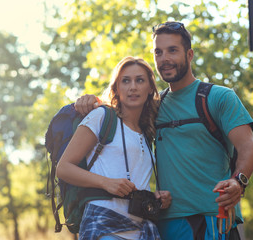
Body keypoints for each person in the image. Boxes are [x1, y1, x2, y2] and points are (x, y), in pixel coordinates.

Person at [75, 21, 253, 240]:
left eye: (172, 50)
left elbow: (249, 148)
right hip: (163, 224)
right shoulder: (153, 106)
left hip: (211, 217)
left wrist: (238, 182)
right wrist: (91, 101)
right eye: (158, 52)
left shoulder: (219, 97)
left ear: (189, 54)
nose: (165, 59)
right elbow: (122, 105)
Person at [56, 56, 171, 240]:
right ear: (117, 88)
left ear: (150, 88)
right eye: (125, 81)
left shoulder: (147, 132)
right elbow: (63, 168)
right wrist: (106, 182)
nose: (132, 87)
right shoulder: (102, 116)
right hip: (104, 225)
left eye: (139, 80)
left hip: (141, 230)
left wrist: (154, 197)